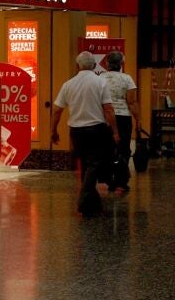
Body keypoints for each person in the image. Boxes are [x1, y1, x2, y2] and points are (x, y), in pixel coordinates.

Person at [51, 51, 119, 216]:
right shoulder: (100, 82)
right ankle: (83, 200)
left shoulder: (68, 84)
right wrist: (115, 131)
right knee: (94, 164)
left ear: (77, 66)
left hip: (76, 131)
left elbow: (57, 110)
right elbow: (108, 109)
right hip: (96, 129)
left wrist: (53, 130)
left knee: (86, 165)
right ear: (94, 65)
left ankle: (91, 205)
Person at [102, 51, 141, 194]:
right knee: (123, 148)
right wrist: (138, 119)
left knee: (107, 148)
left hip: (105, 117)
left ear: (107, 63)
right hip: (123, 117)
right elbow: (131, 102)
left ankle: (109, 179)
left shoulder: (100, 79)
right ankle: (121, 181)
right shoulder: (127, 79)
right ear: (121, 64)